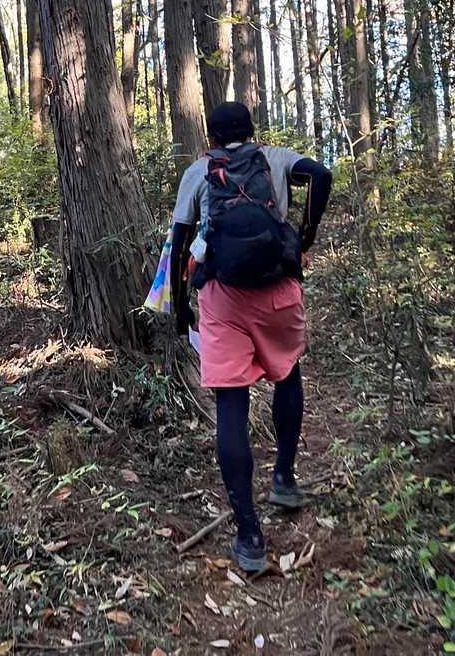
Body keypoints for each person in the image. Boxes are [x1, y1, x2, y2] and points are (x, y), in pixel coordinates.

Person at [169, 101, 333, 572]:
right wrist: (304, 236)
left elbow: (180, 243)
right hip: (278, 290)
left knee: (231, 405)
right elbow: (320, 175)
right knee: (288, 374)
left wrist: (181, 307)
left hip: (222, 299)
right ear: (252, 131)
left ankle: (249, 535)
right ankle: (284, 478)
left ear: (211, 138)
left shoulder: (199, 172)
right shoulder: (275, 158)